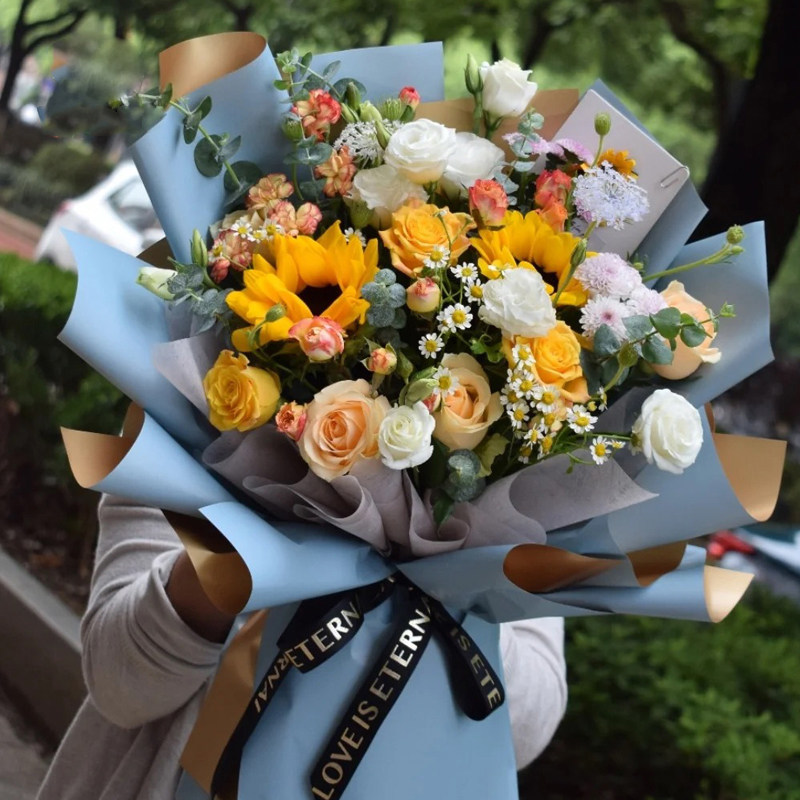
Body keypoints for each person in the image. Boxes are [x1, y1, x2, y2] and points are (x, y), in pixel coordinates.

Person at [37, 493, 567, 800]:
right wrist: (236, 551)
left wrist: (453, 576)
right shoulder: (196, 394)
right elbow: (120, 686)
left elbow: (526, 727)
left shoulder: (525, 487)